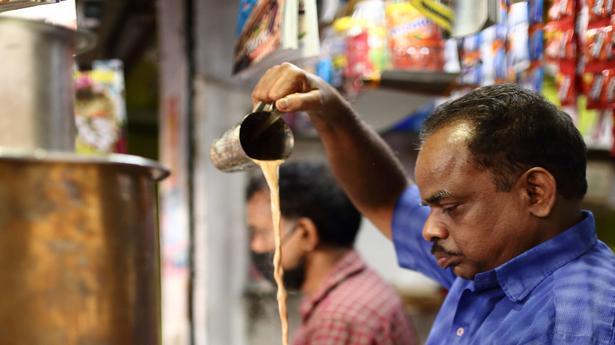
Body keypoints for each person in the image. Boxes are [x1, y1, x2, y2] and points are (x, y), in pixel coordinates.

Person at [250, 63, 615, 344]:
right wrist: (329, 111)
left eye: (451, 207)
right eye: (430, 208)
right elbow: (385, 197)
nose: (430, 229)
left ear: (535, 193)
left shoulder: (582, 321)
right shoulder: (485, 265)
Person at [246, 161, 418, 345]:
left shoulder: (338, 318)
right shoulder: (359, 286)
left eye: (263, 233)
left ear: (306, 234)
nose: (256, 246)